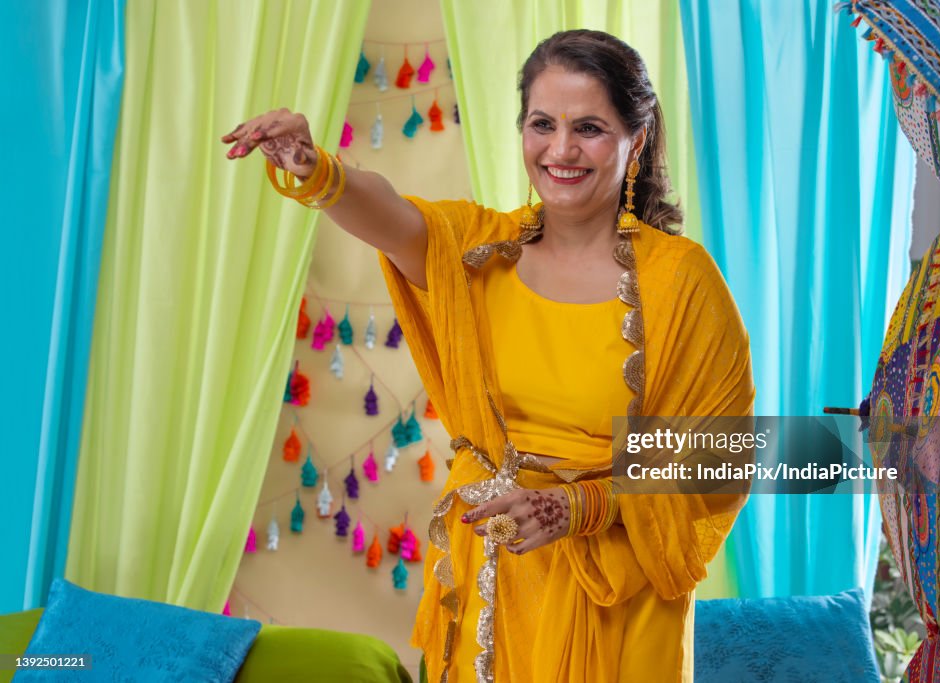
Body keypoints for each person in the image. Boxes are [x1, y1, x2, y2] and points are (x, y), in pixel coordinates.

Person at [223, 29, 754, 683]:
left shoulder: (681, 281)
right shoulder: (482, 252)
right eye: (542, 124)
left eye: (588, 127)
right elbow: (392, 215)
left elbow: (723, 457)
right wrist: (314, 167)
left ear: (635, 141)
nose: (560, 149)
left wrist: (580, 506)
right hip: (487, 588)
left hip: (617, 607)